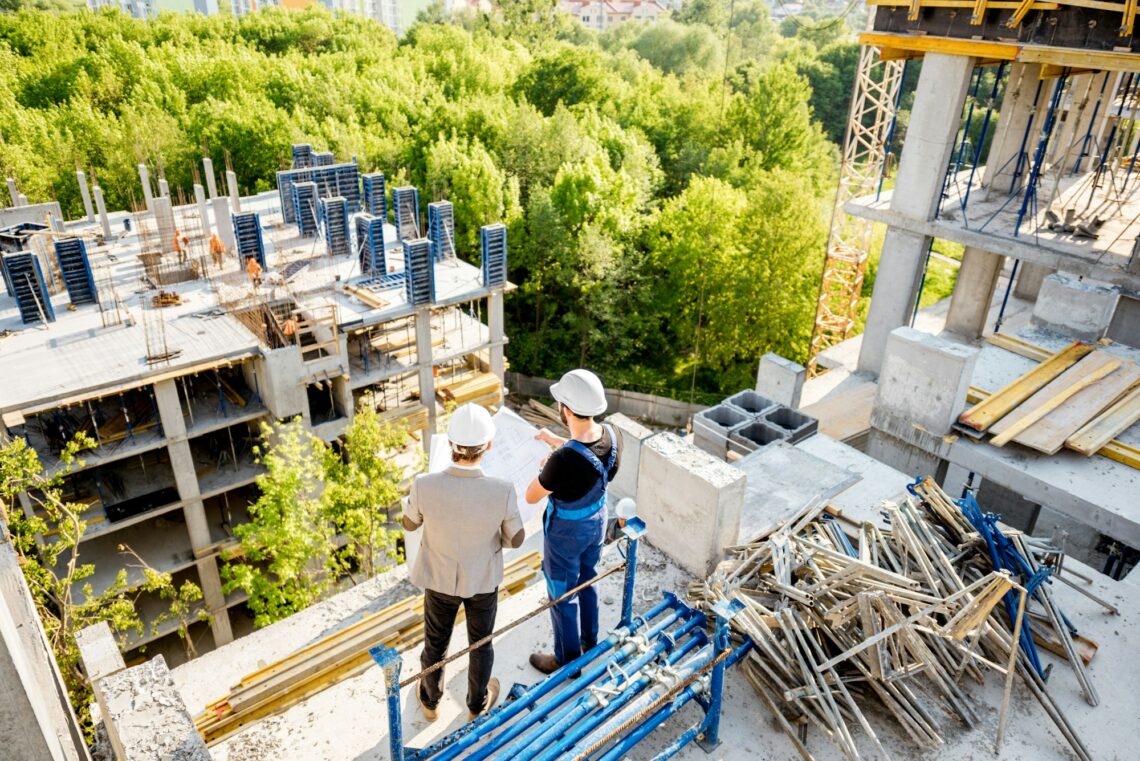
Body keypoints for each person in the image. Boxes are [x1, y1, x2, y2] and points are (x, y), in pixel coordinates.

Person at [403, 404, 525, 721]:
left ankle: (430, 703)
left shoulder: (424, 484)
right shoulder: (503, 490)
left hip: (439, 579)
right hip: (483, 580)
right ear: (489, 445)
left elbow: (409, 524)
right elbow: (517, 539)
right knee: (481, 645)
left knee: (435, 642)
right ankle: (476, 706)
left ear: (449, 444)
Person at [525, 369, 622, 674]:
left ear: (565, 410)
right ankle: (589, 641)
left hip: (566, 535)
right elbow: (587, 453)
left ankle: (566, 659)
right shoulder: (613, 436)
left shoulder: (563, 460)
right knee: (587, 579)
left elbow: (531, 495)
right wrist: (558, 442)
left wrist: (547, 466)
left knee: (562, 593)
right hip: (596, 524)